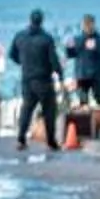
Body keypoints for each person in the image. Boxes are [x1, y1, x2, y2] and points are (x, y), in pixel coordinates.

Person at [13, 8, 64, 152]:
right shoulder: (46, 39)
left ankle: (21, 138)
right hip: (44, 80)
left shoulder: (20, 36)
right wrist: (60, 74)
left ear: (30, 20)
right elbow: (53, 59)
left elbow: (13, 54)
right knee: (49, 111)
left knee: (27, 109)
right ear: (41, 21)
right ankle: (51, 141)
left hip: (27, 78)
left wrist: (23, 62)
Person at [65, 14, 100, 112]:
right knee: (84, 101)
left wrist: (96, 48)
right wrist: (69, 47)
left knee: (98, 98)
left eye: (89, 24)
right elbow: (71, 54)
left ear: (93, 25)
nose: (87, 27)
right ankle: (85, 123)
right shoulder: (78, 39)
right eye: (86, 24)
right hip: (83, 74)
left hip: (95, 74)